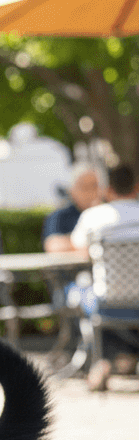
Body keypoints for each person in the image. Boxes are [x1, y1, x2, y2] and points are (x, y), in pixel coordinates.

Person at [67, 163, 139, 391]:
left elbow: (77, 247)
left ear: (107, 190)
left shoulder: (94, 217)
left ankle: (102, 361)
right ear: (136, 188)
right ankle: (125, 357)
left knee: (81, 292)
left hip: (107, 301)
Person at [43, 167, 101, 252]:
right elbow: (53, 245)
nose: (90, 193)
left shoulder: (105, 213)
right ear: (72, 190)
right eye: (85, 187)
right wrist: (88, 246)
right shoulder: (60, 215)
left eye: (94, 186)